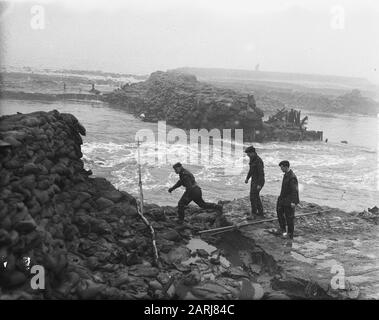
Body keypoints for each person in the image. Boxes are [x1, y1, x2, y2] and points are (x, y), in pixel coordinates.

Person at [276, 160, 300, 239]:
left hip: (289, 201)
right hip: (282, 198)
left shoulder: (292, 177)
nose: (281, 169)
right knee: (279, 213)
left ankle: (290, 234)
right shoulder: (286, 174)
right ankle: (283, 230)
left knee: (289, 217)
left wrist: (294, 202)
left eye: (281, 167)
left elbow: (295, 190)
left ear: (286, 167)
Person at [244, 146, 265, 219]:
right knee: (255, 196)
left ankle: (254, 214)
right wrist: (247, 178)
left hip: (259, 181)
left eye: (248, 153)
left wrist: (259, 184)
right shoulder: (252, 159)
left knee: (253, 197)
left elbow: (261, 173)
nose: (247, 155)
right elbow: (251, 170)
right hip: (254, 180)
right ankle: (260, 212)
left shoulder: (258, 161)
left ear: (253, 153)